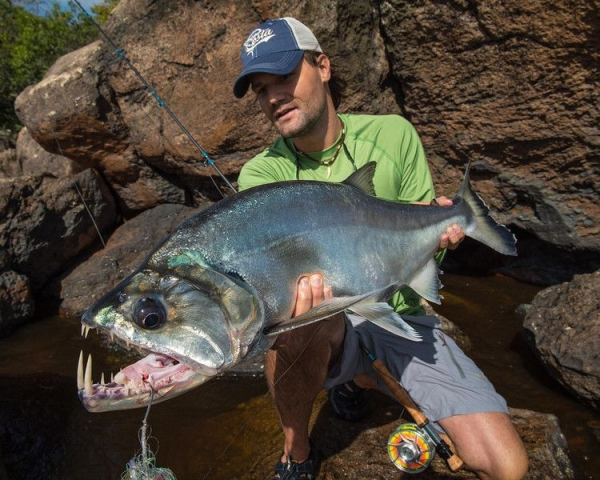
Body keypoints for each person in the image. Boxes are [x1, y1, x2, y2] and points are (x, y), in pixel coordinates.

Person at [233, 17, 528, 480]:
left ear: (323, 66)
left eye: (285, 76)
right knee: (304, 318)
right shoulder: (259, 176)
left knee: (507, 466)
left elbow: (427, 255)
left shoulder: (394, 135)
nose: (273, 97)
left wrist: (442, 236)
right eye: (261, 89)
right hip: (321, 327)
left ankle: (358, 378)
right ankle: (297, 449)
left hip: (400, 316)